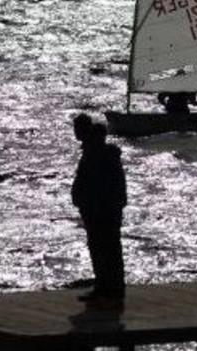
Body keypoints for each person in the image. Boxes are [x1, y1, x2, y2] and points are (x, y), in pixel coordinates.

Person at [71, 116, 127, 300]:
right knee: (102, 248)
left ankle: (110, 288)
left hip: (102, 210)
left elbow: (104, 183)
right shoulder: (93, 151)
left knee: (106, 248)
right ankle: (106, 286)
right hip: (97, 208)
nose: (75, 132)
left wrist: (105, 205)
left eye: (77, 128)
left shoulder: (98, 153)